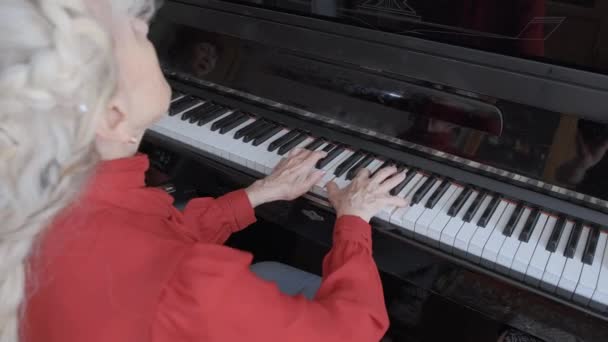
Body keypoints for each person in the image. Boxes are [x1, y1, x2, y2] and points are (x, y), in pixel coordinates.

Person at [0, 1, 409, 341]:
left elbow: (152, 239)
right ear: (113, 114)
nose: (150, 29)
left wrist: (257, 195)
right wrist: (354, 219)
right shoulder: (187, 285)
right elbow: (353, 331)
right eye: (137, 30)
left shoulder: (41, 197)